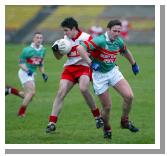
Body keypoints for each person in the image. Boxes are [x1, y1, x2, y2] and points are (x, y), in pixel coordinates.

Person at [77, 19, 140, 139]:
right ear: (108, 30)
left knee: (129, 96)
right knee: (107, 107)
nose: (116, 33)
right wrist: (90, 63)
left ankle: (124, 121)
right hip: (99, 76)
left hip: (113, 71)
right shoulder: (100, 40)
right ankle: (107, 128)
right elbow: (80, 48)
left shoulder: (118, 41)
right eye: (114, 31)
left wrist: (134, 64)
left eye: (119, 31)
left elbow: (125, 51)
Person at [46, 17, 104, 133]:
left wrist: (94, 63)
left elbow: (97, 52)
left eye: (66, 30)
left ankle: (97, 117)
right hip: (69, 69)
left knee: (83, 88)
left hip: (84, 67)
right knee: (61, 92)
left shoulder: (87, 38)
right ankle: (52, 123)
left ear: (74, 29)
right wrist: (55, 51)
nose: (65, 33)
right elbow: (58, 58)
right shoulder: (65, 40)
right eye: (64, 31)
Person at [17, 32, 48, 117]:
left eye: (40, 38)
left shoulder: (43, 50)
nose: (39, 39)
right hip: (24, 72)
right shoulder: (27, 50)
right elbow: (21, 63)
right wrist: (27, 71)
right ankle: (21, 113)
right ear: (33, 39)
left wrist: (43, 73)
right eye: (37, 38)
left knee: (28, 97)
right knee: (31, 92)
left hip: (31, 74)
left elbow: (41, 63)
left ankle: (11, 90)